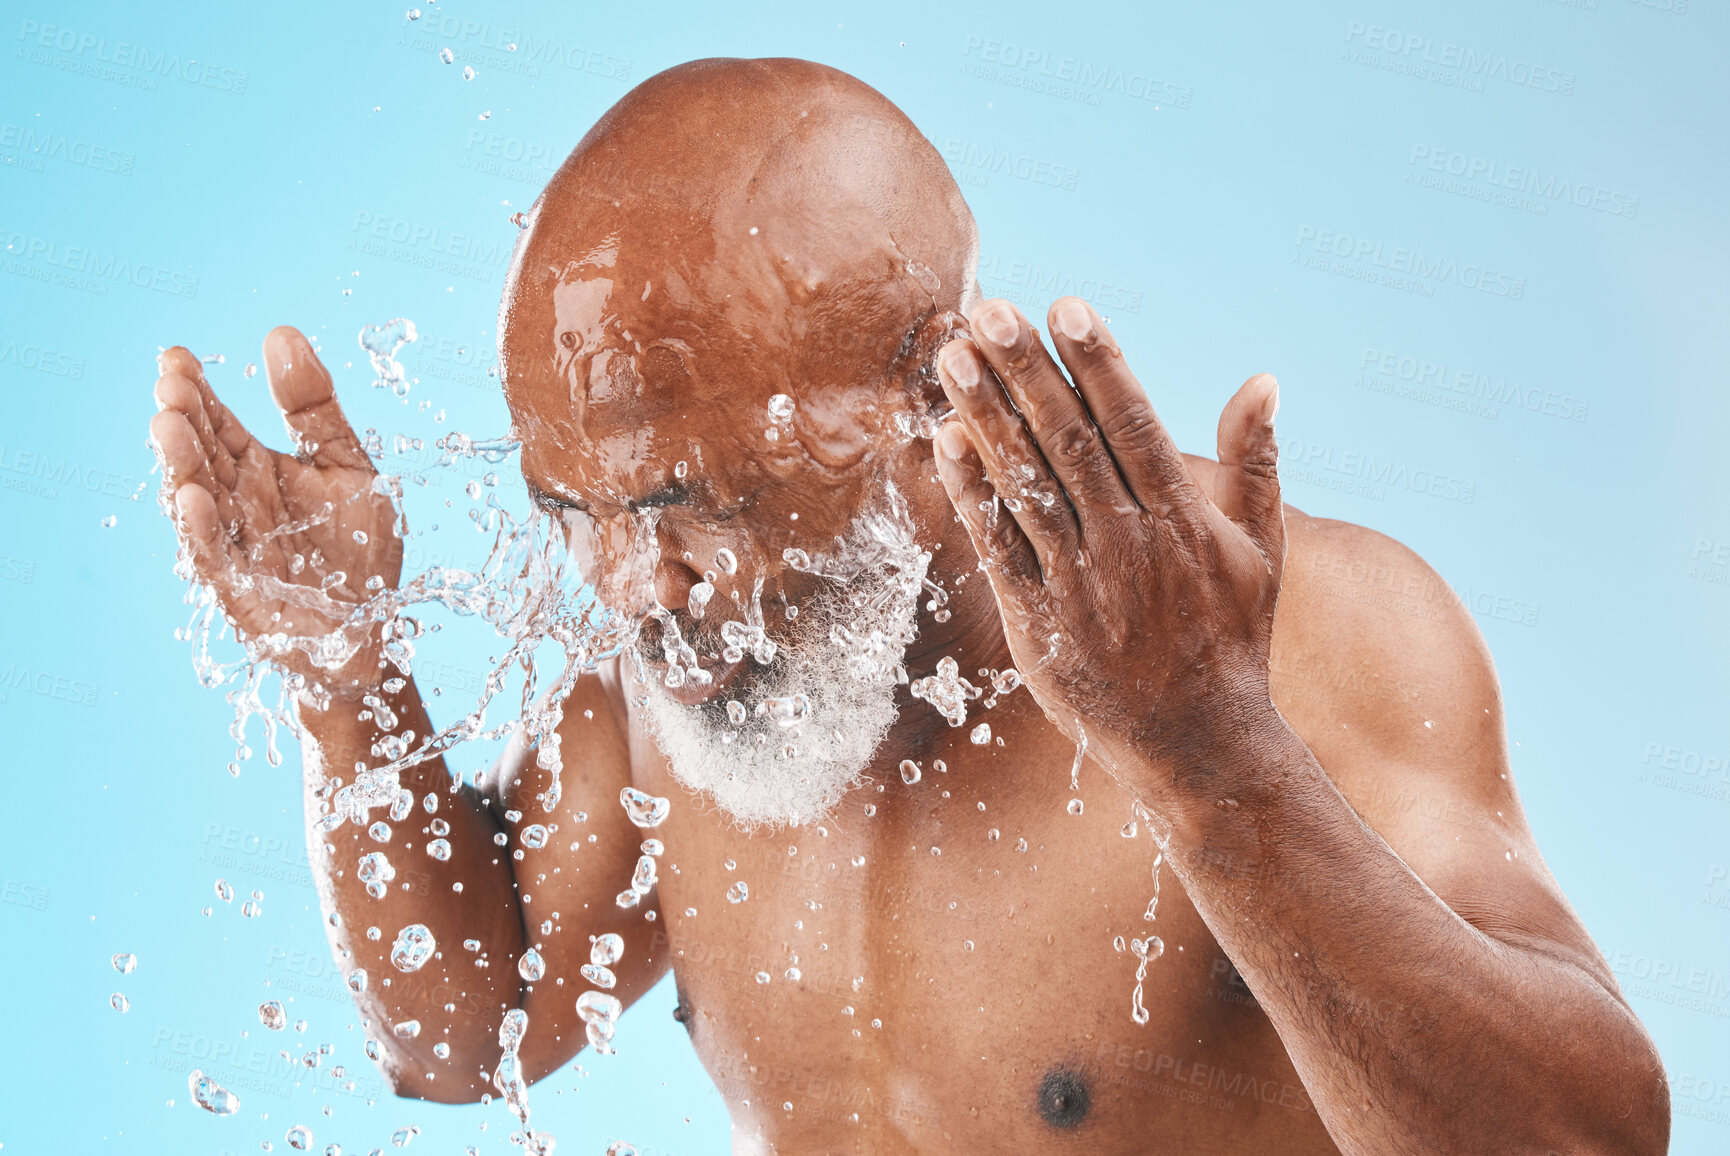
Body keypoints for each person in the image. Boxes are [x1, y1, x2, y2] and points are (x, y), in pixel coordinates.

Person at [148, 57, 1667, 1154]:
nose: (633, 587)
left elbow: (1584, 1147)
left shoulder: (1289, 631)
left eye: (689, 507)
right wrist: (348, 685)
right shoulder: (679, 678)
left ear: (928, 396)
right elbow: (467, 1039)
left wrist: (1209, 751)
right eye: (575, 514)